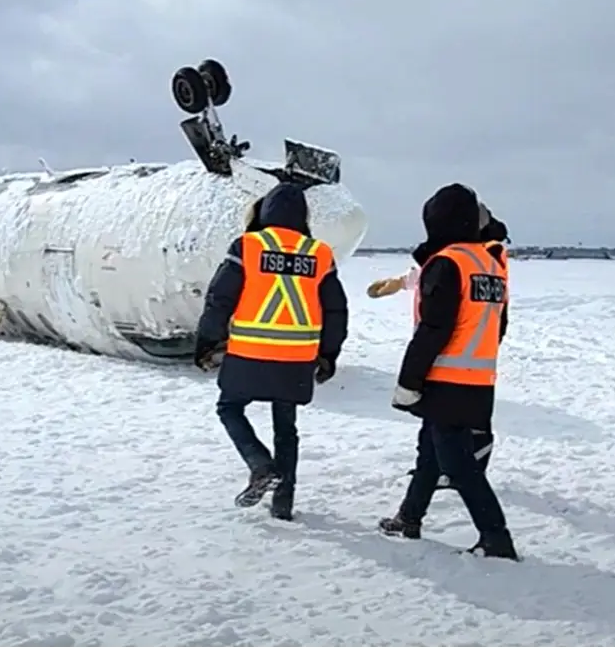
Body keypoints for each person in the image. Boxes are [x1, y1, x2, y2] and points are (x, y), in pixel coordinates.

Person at [194, 182, 349, 520]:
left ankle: (260, 464)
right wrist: (329, 353)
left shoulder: (249, 246)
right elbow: (336, 309)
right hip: (296, 359)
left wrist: (207, 340)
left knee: (229, 408)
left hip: (249, 353)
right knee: (286, 427)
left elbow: (220, 298)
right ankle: (283, 503)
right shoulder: (319, 253)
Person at [379, 184, 517, 559]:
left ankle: (496, 538)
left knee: (458, 466)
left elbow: (433, 328)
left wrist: (409, 381)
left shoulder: (448, 263)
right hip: (478, 378)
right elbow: (498, 325)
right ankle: (409, 516)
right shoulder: (490, 263)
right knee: (430, 450)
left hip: (445, 378)